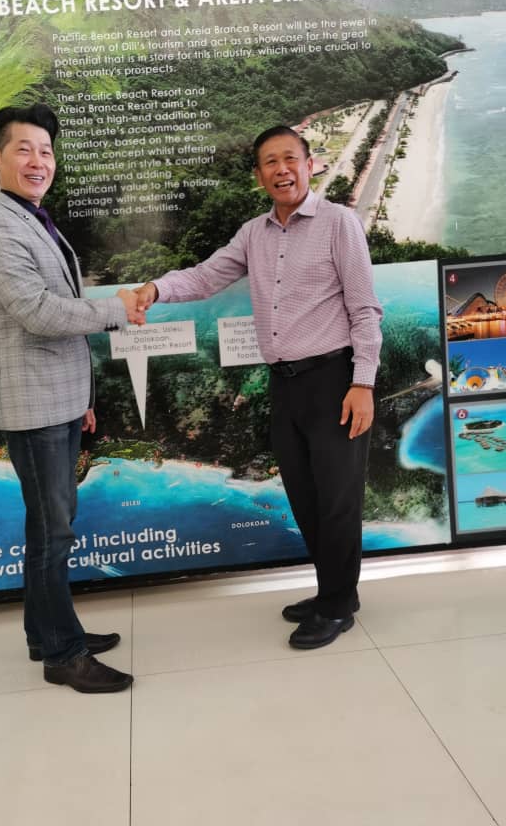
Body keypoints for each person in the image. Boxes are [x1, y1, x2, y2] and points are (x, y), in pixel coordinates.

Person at [136, 126, 382, 649]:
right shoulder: (253, 234)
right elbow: (204, 277)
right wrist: (156, 288)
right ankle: (334, 591)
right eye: (270, 162)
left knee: (337, 500)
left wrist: (363, 382)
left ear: (310, 165)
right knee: (305, 498)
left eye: (290, 158)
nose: (281, 169)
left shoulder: (339, 223)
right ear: (259, 175)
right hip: (285, 385)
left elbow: (365, 309)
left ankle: (337, 607)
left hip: (334, 380)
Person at [0, 103, 143, 692]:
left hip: (59, 400)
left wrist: (82, 397)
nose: (37, 161)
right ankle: (64, 656)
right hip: (35, 407)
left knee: (48, 527)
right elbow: (39, 314)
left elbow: (56, 315)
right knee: (53, 532)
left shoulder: (32, 217)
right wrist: (117, 309)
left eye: (45, 151)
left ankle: (43, 634)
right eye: (23, 149)